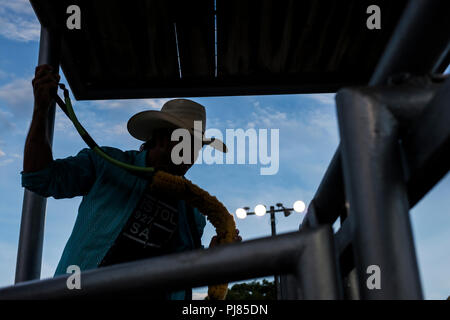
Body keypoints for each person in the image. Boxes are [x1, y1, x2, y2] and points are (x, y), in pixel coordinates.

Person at [22, 64, 241, 299]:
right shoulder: (108, 163)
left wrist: (215, 258)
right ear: (160, 138)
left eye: (197, 147)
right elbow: (40, 178)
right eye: (185, 142)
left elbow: (184, 275)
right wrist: (40, 109)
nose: (191, 154)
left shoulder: (193, 213)